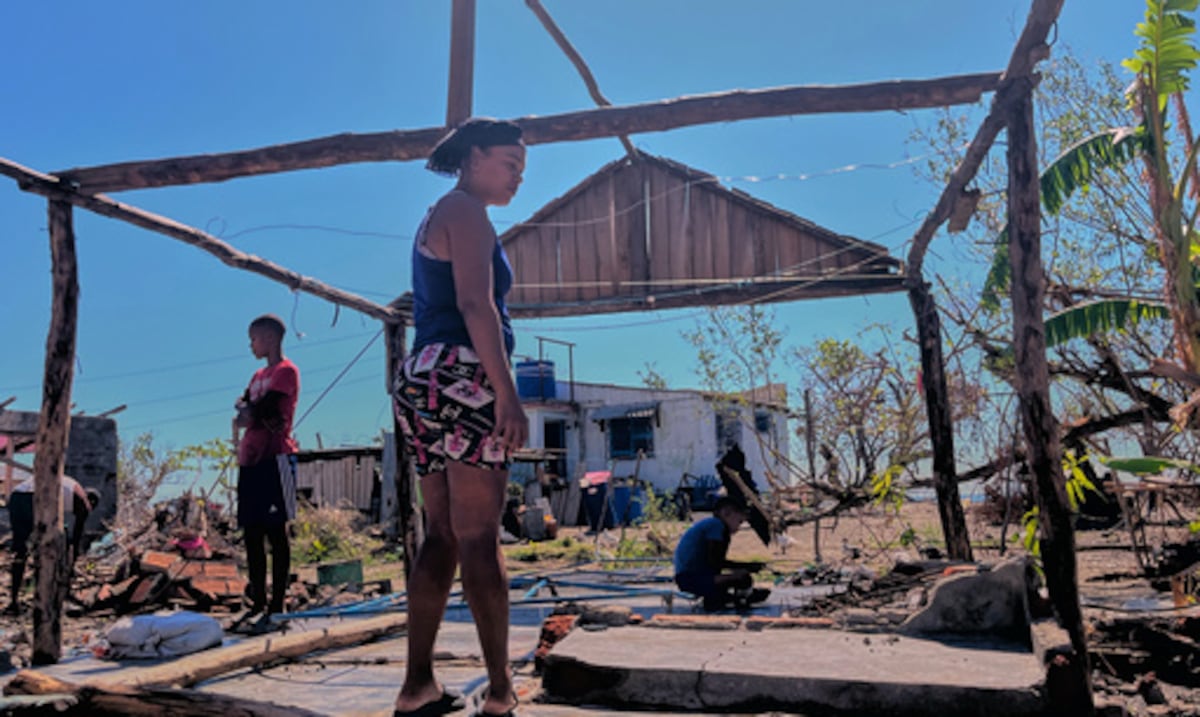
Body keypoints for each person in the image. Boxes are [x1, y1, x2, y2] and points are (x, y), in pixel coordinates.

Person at [391, 118, 528, 717]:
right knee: (479, 535)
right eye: (508, 162)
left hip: (421, 376)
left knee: (442, 533)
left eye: (522, 168)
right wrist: (506, 392)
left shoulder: (437, 214)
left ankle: (417, 684)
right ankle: (499, 692)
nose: (517, 176)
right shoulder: (467, 211)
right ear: (473, 159)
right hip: (461, 374)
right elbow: (476, 303)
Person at [233, 313, 300, 632]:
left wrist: (249, 412)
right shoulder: (258, 374)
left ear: (270, 339)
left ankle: (277, 604)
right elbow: (244, 406)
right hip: (250, 459)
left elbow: (263, 410)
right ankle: (257, 600)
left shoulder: (286, 372)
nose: (251, 345)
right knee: (252, 533)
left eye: (255, 339)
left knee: (277, 531)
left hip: (276, 457)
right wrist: (248, 411)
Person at [7, 473, 98, 615]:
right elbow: (76, 539)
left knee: (20, 551)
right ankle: (51, 598)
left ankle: (13, 602)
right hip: (39, 498)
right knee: (54, 546)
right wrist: (70, 565)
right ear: (91, 501)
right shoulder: (84, 501)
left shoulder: (69, 485)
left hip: (17, 496)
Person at [674, 496, 770, 612]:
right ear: (726, 513)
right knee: (742, 578)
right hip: (692, 579)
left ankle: (727, 597)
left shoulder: (712, 525)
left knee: (736, 578)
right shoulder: (716, 526)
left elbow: (715, 562)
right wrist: (747, 567)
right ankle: (740, 598)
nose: (739, 527)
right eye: (739, 521)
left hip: (690, 577)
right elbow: (716, 562)